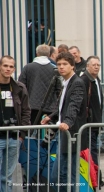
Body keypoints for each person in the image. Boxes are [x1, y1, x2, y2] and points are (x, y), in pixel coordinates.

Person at [41, 52, 88, 192]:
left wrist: (67, 121)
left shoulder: (77, 83)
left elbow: (74, 105)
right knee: (68, 174)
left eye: (65, 64)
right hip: (65, 132)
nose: (61, 67)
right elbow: (64, 106)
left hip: (70, 133)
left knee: (61, 175)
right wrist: (52, 116)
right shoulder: (66, 82)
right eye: (59, 64)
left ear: (72, 66)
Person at [0, 55, 31, 192]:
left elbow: (26, 112)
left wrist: (21, 135)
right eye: (5, 65)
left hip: (13, 137)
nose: (8, 69)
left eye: (11, 66)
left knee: (7, 176)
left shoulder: (19, 87)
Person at [18, 44, 61, 127]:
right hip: (50, 107)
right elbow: (58, 89)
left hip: (31, 105)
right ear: (49, 55)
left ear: (37, 53)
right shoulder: (55, 69)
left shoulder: (28, 67)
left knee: (32, 132)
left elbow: (21, 86)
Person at [80, 56, 103, 165]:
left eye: (98, 65)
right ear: (87, 66)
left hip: (95, 122)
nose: (96, 67)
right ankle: (95, 178)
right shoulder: (85, 80)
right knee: (91, 150)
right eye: (94, 65)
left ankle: (96, 176)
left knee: (93, 149)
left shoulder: (96, 79)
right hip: (88, 123)